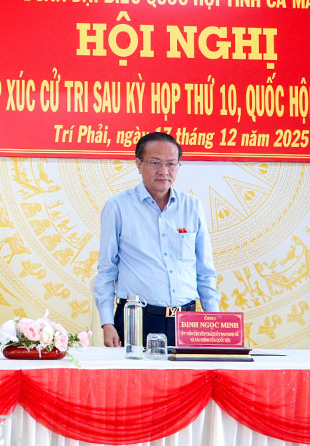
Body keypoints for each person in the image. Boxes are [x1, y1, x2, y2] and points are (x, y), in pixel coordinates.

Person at [93, 132, 219, 347]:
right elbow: (106, 270)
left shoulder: (192, 206)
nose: (164, 171)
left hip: (187, 320)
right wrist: (107, 323)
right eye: (155, 163)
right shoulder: (118, 207)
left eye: (171, 164)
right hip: (137, 319)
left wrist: (213, 319)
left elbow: (205, 270)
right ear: (138, 164)